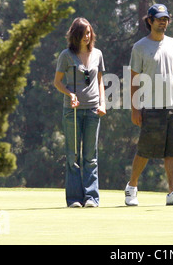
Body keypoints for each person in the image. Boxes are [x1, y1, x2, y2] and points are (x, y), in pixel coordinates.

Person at [125, 4, 173, 206]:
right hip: (151, 106)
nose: (163, 22)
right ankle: (132, 187)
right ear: (150, 21)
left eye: (166, 19)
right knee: (145, 150)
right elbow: (134, 79)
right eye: (160, 19)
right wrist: (135, 108)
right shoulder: (140, 47)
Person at [54, 17, 106, 208]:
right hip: (72, 112)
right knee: (72, 155)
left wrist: (103, 103)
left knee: (90, 156)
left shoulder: (98, 54)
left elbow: (100, 81)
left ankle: (91, 198)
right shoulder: (66, 56)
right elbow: (57, 82)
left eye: (89, 32)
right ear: (75, 35)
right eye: (83, 33)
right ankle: (74, 199)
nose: (87, 36)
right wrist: (70, 93)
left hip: (93, 110)